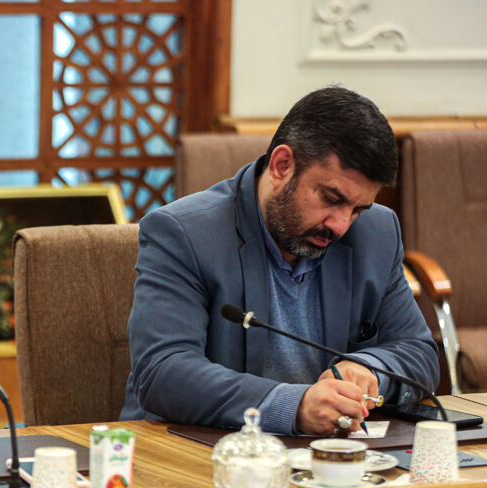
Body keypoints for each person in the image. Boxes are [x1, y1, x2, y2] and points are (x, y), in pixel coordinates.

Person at [120, 86, 439, 436]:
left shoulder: (376, 232)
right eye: (331, 198)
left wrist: (369, 369)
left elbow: (418, 352)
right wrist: (294, 406)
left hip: (323, 453)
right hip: (197, 446)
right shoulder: (184, 233)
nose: (341, 225)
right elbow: (163, 372)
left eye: (358, 209)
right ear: (282, 166)